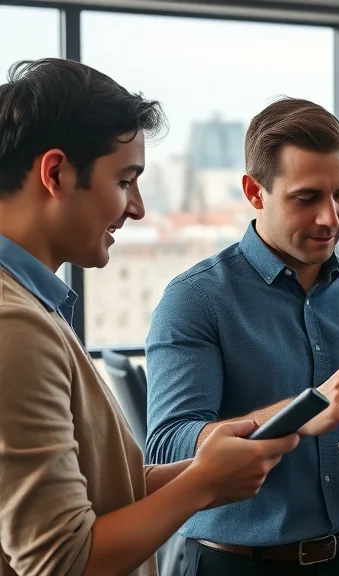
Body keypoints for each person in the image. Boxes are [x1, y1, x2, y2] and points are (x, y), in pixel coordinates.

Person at [0, 59, 298, 576]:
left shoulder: (31, 306)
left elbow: (98, 491)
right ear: (55, 173)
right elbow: (62, 560)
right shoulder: (14, 326)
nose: (136, 208)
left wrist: (203, 470)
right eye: (125, 181)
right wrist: (202, 484)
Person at [145, 97, 339, 575]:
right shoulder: (196, 299)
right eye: (307, 197)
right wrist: (304, 409)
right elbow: (170, 445)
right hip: (239, 564)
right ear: (255, 192)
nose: (331, 217)